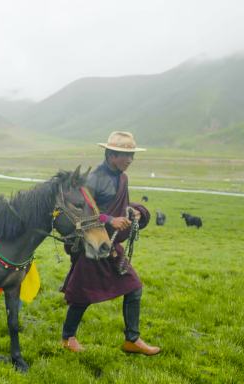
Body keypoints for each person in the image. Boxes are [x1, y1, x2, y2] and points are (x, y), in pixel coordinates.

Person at [60, 131, 160, 356]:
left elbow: (120, 204)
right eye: (126, 156)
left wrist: (132, 211)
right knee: (82, 293)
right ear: (112, 155)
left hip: (112, 244)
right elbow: (80, 211)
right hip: (93, 241)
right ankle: (67, 338)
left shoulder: (123, 178)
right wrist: (110, 220)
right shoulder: (93, 178)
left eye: (132, 155)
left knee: (134, 287)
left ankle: (132, 340)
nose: (130, 160)